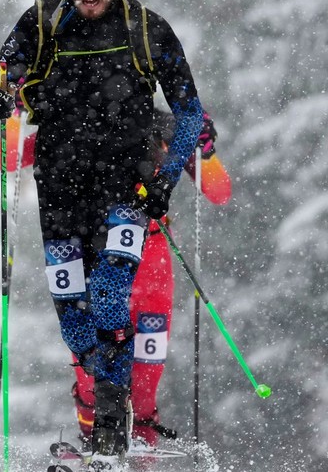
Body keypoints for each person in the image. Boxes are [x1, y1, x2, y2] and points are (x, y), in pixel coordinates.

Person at [0, 0, 204, 458]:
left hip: (128, 188)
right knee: (74, 320)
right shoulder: (41, 24)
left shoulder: (145, 28)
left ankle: (113, 430)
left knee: (110, 294)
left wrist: (165, 182)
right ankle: (102, 418)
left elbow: (191, 114)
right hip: (61, 190)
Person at [70, 111, 230, 451]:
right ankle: (91, 446)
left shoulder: (162, 125)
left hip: (151, 265)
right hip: (96, 258)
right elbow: (7, 159)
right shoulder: (78, 112)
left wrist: (206, 151)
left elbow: (219, 192)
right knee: (92, 375)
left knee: (146, 380)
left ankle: (143, 453)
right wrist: (16, 112)